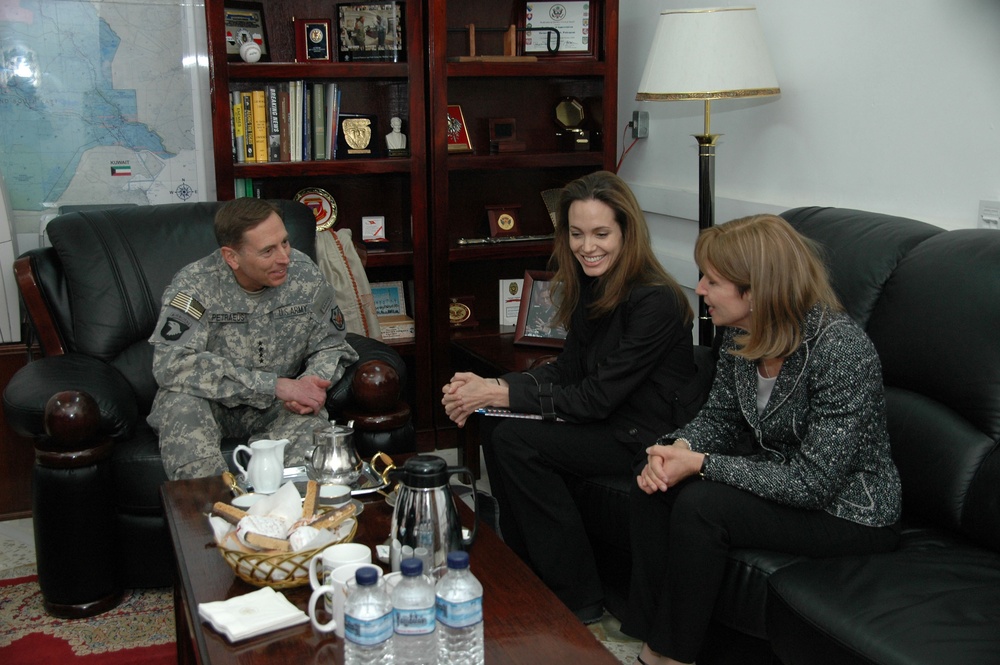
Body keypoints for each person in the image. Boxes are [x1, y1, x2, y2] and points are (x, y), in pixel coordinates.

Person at [622, 214, 902, 665]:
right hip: (782, 481)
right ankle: (650, 635)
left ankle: (669, 657)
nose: (700, 291)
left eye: (713, 281)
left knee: (703, 506)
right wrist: (677, 449)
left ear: (756, 290)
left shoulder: (841, 350)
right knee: (651, 474)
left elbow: (813, 483)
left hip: (849, 511)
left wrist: (705, 465)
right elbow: (720, 419)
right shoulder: (739, 333)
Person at [441, 170, 700, 623]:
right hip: (611, 419)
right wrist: (494, 389)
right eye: (577, 234)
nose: (587, 246)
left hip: (645, 434)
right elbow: (567, 370)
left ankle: (576, 595)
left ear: (626, 232)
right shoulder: (592, 284)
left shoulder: (654, 301)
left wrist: (503, 395)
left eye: (601, 233)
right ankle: (524, 570)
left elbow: (596, 397)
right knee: (497, 423)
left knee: (516, 439)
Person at [148, 198, 358, 480]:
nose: (284, 257)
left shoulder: (303, 273)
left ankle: (296, 519)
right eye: (268, 251)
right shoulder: (195, 284)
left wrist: (311, 381)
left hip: (278, 406)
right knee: (179, 408)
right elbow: (171, 363)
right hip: (210, 402)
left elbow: (332, 343)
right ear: (231, 257)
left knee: (311, 438)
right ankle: (215, 515)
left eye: (284, 242)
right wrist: (272, 385)